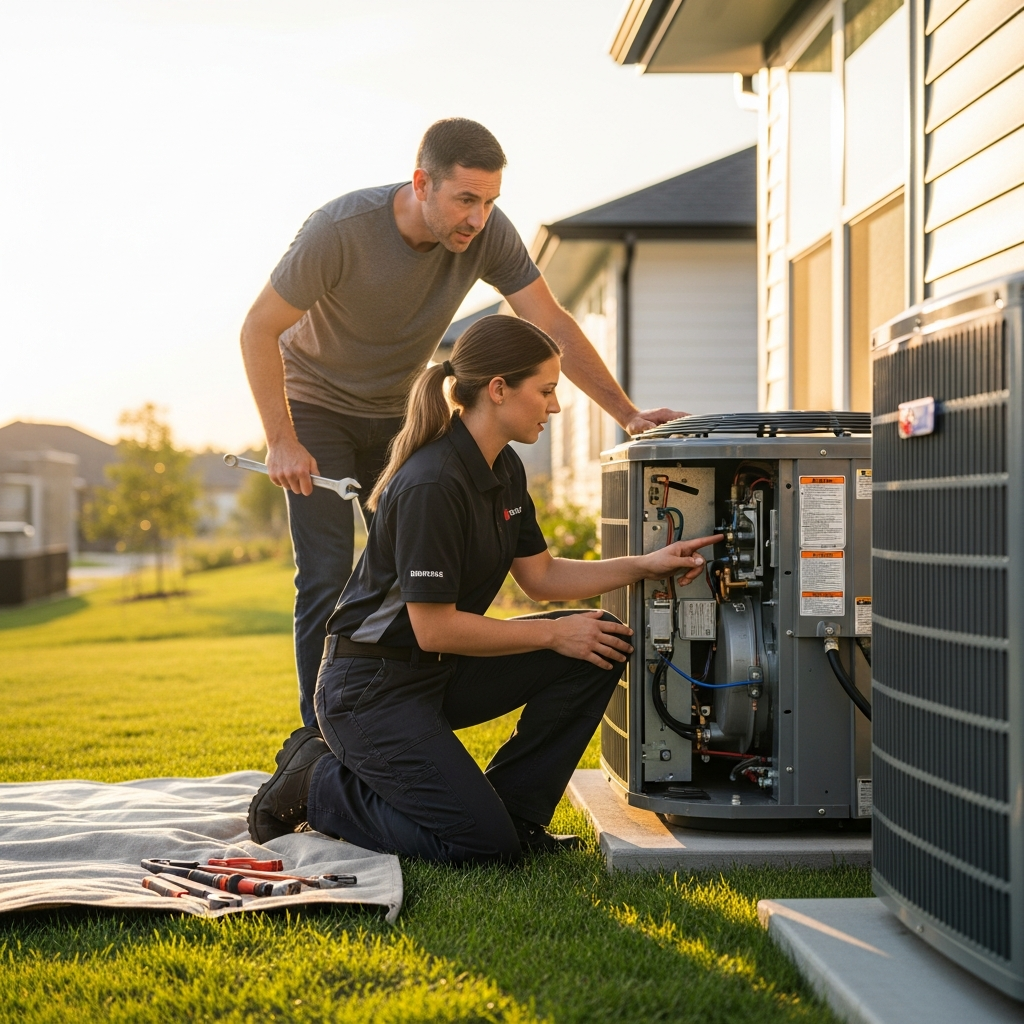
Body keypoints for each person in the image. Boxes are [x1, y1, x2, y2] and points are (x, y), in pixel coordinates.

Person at [240, 117, 685, 728]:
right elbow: (258, 328)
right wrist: (282, 439)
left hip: (398, 410)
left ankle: (398, 711)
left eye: (490, 201)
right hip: (318, 407)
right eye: (465, 199)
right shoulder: (340, 230)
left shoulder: (486, 235)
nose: (477, 218)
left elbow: (550, 326)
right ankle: (317, 743)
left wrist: (628, 414)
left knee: (413, 573)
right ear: (423, 182)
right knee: (326, 573)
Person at [247, 314, 720, 862]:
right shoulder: (431, 482)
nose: (556, 406)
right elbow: (434, 627)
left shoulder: (503, 467)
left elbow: (540, 578)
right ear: (498, 390)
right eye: (546, 391)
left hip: (436, 673)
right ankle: (317, 782)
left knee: (598, 640)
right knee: (476, 845)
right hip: (369, 690)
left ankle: (517, 815)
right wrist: (550, 637)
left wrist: (646, 564)